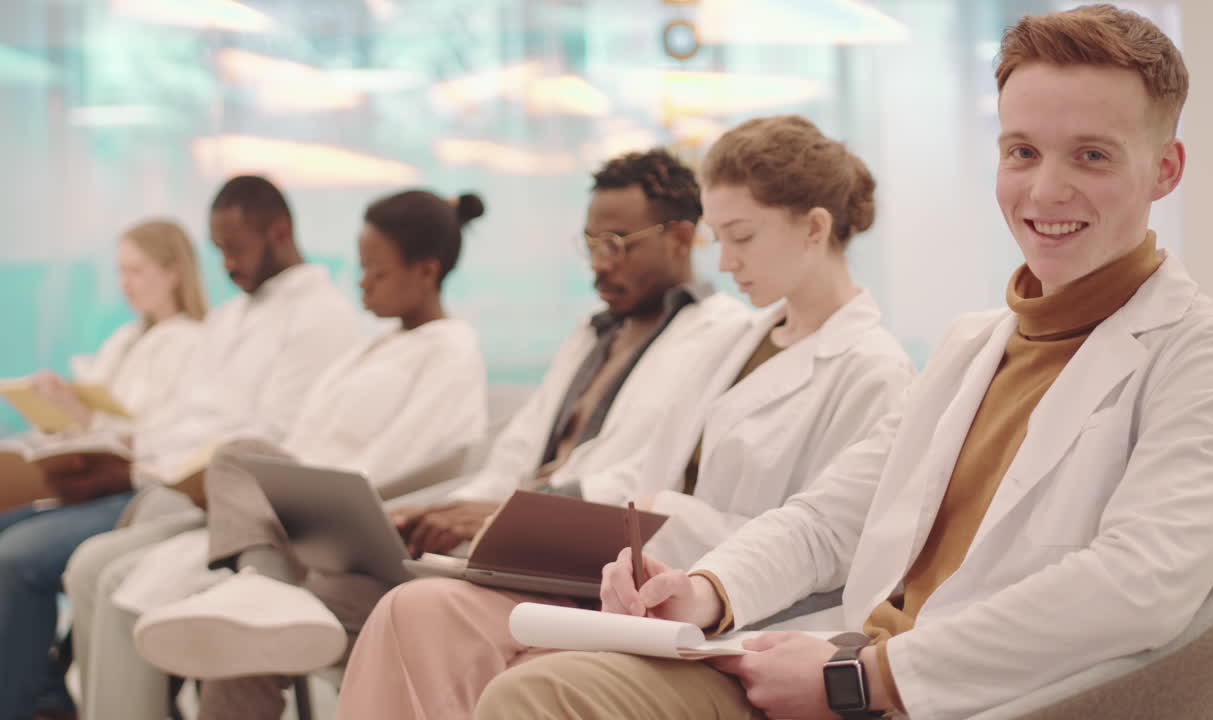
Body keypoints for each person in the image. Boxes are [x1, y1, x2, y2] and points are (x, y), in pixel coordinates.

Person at [474, 6, 1213, 720]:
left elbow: (1137, 587)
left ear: (1165, 170)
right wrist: (706, 594)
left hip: (955, 696)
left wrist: (869, 675)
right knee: (539, 690)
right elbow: (833, 515)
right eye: (1021, 150)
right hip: (839, 669)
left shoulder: (1203, 354)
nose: (1045, 188)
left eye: (1091, 155)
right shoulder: (974, 343)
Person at [128, 149, 753, 720]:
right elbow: (514, 455)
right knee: (263, 592)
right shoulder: (593, 336)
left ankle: (260, 591)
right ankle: (259, 591)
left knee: (290, 607)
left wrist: (494, 513)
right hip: (492, 540)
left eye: (618, 242)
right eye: (591, 242)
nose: (600, 262)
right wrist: (450, 515)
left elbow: (638, 476)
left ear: (681, 237)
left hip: (565, 555)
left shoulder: (716, 336)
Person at [334, 115, 918, 719]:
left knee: (530, 676)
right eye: (718, 239)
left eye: (740, 237)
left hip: (734, 621)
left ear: (815, 229)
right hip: (634, 588)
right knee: (415, 611)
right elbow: (645, 474)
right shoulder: (734, 340)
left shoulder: (872, 373)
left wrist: (687, 567)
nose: (724, 263)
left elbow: (826, 549)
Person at [63, 189, 491, 720]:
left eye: (375, 272)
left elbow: (403, 464)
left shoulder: (451, 352)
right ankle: (262, 590)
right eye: (360, 268)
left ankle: (260, 588)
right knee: (237, 463)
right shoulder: (371, 347)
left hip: (342, 524)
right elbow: (302, 444)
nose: (360, 282)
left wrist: (295, 493)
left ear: (426, 271)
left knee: (237, 473)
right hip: (290, 514)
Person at [0, 175, 362, 720]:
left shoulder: (321, 318)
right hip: (173, 482)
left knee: (97, 573)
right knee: (89, 566)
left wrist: (139, 474)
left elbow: (274, 442)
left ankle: (36, 701)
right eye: (218, 251)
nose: (226, 265)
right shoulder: (231, 316)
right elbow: (180, 424)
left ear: (280, 231)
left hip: (236, 505)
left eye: (234, 249)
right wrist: (129, 459)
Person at [0, 219, 207, 513]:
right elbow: (95, 403)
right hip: (85, 481)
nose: (125, 283)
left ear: (173, 272)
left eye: (135, 271)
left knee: (13, 551)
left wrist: (84, 416)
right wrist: (52, 401)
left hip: (131, 490)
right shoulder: (125, 338)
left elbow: (157, 438)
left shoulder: (193, 343)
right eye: (121, 271)